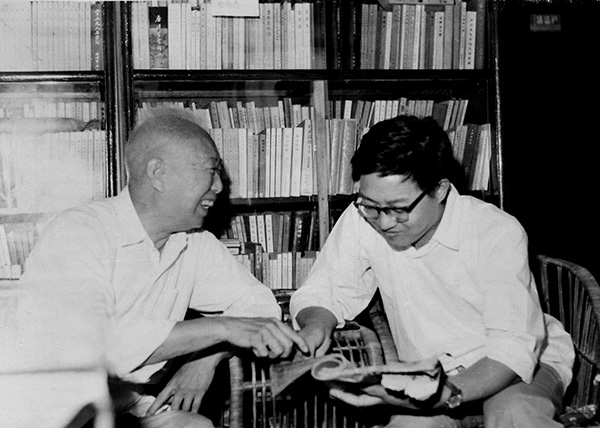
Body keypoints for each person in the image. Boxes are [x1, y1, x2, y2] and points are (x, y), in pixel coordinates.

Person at [21, 108, 308, 428]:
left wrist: (206, 357)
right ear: (158, 174)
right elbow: (94, 343)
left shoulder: (193, 242)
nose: (218, 186)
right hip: (52, 412)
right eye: (211, 170)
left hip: (126, 406)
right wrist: (223, 329)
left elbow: (259, 307)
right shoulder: (79, 231)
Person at [289, 115, 575, 428]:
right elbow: (324, 290)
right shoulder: (363, 218)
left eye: (399, 209)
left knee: (512, 415)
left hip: (514, 368)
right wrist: (316, 324)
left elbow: (512, 350)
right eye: (370, 205)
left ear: (440, 190)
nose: (383, 221)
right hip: (430, 377)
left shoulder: (494, 231)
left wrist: (446, 394)